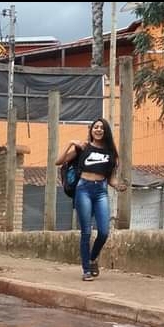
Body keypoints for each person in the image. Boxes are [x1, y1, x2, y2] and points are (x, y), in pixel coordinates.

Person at [55, 118, 127, 281]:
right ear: (91, 130)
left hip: (101, 191)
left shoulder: (111, 154)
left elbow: (111, 179)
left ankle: (92, 258)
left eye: (102, 127)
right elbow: (58, 161)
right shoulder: (84, 148)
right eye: (96, 127)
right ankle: (86, 270)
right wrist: (71, 143)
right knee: (86, 232)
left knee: (103, 231)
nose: (99, 130)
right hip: (83, 190)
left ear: (106, 131)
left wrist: (118, 186)